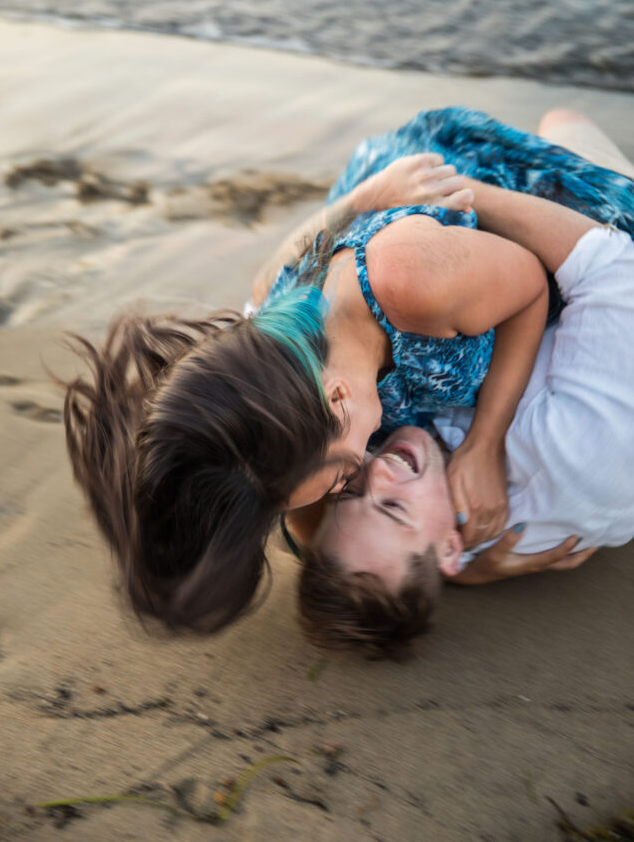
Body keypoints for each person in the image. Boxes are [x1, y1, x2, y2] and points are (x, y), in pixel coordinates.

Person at [61, 107, 634, 635]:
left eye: (342, 480)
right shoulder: (275, 365)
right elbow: (276, 271)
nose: (365, 472)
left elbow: (531, 285)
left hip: (474, 199)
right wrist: (358, 200)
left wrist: (485, 442)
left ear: (337, 400)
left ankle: (572, 133)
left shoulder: (413, 284)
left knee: (586, 157)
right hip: (379, 214)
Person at [296, 174, 634, 659]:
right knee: (567, 124)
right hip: (606, 249)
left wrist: (477, 574)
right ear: (449, 551)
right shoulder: (575, 453)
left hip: (515, 288)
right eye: (392, 507)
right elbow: (613, 263)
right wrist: (451, 187)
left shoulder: (446, 534)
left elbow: (320, 531)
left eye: (348, 491)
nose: (377, 470)